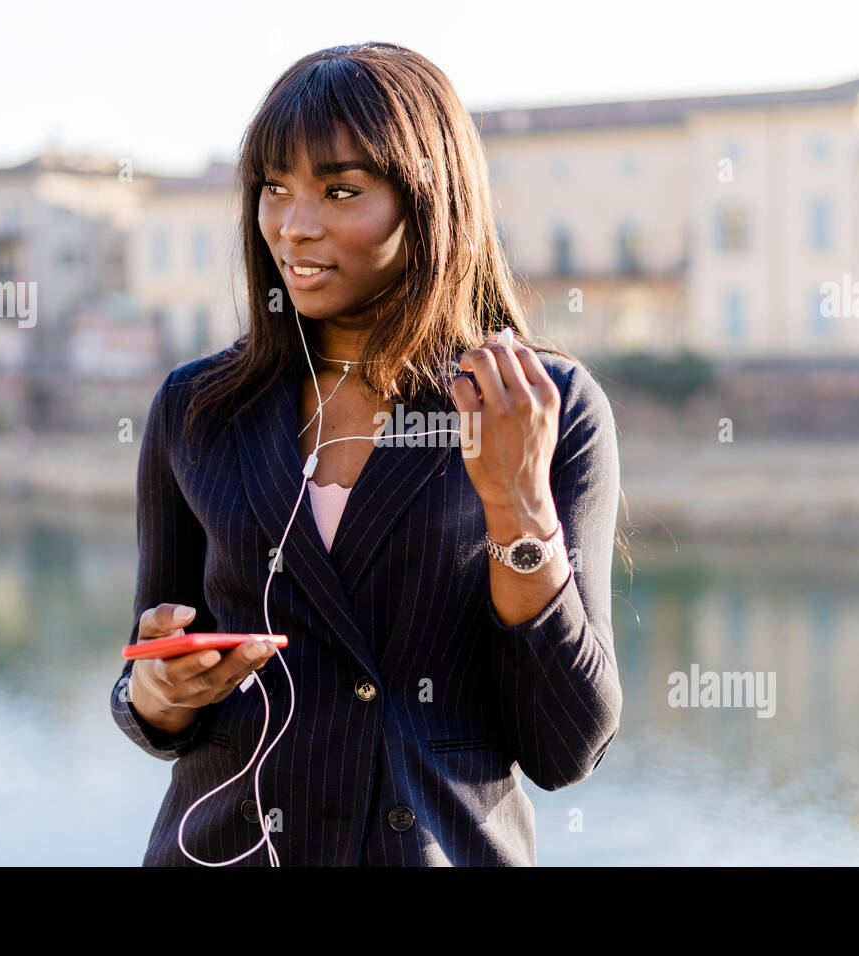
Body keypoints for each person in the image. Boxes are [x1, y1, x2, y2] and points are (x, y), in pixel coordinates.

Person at [110, 41, 623, 866]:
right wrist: (156, 694)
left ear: (430, 200)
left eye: (340, 190)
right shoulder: (196, 407)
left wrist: (516, 504)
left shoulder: (543, 408)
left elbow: (567, 747)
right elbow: (152, 691)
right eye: (274, 188)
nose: (294, 224)